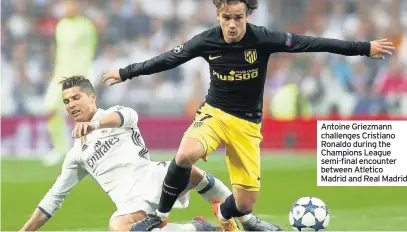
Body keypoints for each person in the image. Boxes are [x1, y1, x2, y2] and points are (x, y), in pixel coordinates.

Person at [102, 0, 395, 231]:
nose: (232, 24)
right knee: (184, 154)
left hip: (247, 126)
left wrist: (363, 48)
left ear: (247, 16)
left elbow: (312, 42)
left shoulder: (263, 39)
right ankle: (159, 216)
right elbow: (167, 59)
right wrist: (126, 72)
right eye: (226, 17)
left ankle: (225, 213)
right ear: (218, 15)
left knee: (243, 204)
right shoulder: (205, 41)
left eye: (238, 17)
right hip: (214, 114)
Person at [20, 75, 277, 231]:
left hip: (152, 176)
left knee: (188, 170)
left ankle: (248, 221)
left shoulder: (118, 114)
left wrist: (95, 124)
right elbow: (53, 199)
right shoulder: (76, 154)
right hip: (130, 203)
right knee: (117, 227)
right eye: (66, 101)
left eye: (76, 97)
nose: (71, 104)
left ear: (93, 97)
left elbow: (126, 116)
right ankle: (199, 228)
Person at [43, 0, 97, 166]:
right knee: (50, 110)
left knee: (78, 116)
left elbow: (87, 51)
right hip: (59, 77)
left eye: (70, 5)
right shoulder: (61, 26)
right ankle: (60, 149)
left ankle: (84, 152)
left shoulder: (86, 26)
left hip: (78, 77)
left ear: (77, 6)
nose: (65, 8)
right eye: (65, 5)